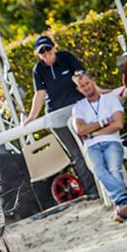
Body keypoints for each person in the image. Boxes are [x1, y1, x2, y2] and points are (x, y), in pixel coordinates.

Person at [23, 36, 99, 198]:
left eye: (48, 49)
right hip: (57, 116)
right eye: (42, 52)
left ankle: (105, 182)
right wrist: (31, 117)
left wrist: (98, 92)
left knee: (93, 144)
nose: (46, 54)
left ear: (54, 48)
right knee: (76, 153)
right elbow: (40, 94)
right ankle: (93, 191)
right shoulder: (38, 69)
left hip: (79, 110)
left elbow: (83, 79)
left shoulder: (66, 57)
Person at [70, 71, 127, 223]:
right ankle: (123, 201)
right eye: (82, 86)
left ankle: (121, 207)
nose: (86, 87)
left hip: (111, 141)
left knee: (113, 169)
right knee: (98, 169)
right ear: (79, 90)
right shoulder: (78, 107)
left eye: (87, 83)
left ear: (93, 81)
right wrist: (102, 123)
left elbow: (118, 124)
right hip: (92, 146)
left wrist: (94, 133)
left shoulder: (110, 99)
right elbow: (80, 130)